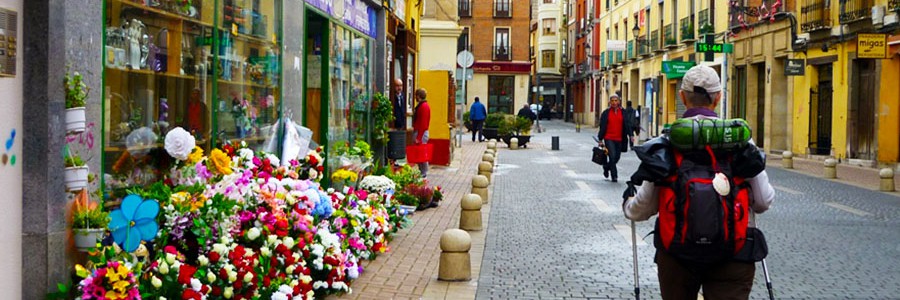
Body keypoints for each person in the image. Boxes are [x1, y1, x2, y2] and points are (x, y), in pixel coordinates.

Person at [623, 65, 775, 299]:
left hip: (677, 255)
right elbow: (763, 201)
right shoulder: (740, 141)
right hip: (733, 253)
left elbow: (644, 207)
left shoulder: (668, 141)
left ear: (682, 96)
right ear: (718, 98)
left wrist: (628, 205)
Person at [596, 93, 631, 182]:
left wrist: (631, 135)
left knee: (617, 157)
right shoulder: (606, 113)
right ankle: (614, 176)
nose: (614, 102)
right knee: (612, 156)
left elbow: (627, 124)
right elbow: (602, 126)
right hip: (609, 138)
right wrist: (600, 139)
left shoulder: (623, 112)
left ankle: (606, 167)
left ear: (619, 101)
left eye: (616, 100)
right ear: (609, 102)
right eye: (612, 101)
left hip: (620, 138)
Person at [412, 88, 431, 178]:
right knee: (420, 153)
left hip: (421, 133)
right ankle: (422, 172)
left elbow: (423, 124)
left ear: (418, 96)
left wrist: (418, 137)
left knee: (422, 153)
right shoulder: (423, 106)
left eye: (416, 95)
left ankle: (424, 173)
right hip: (421, 132)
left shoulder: (423, 107)